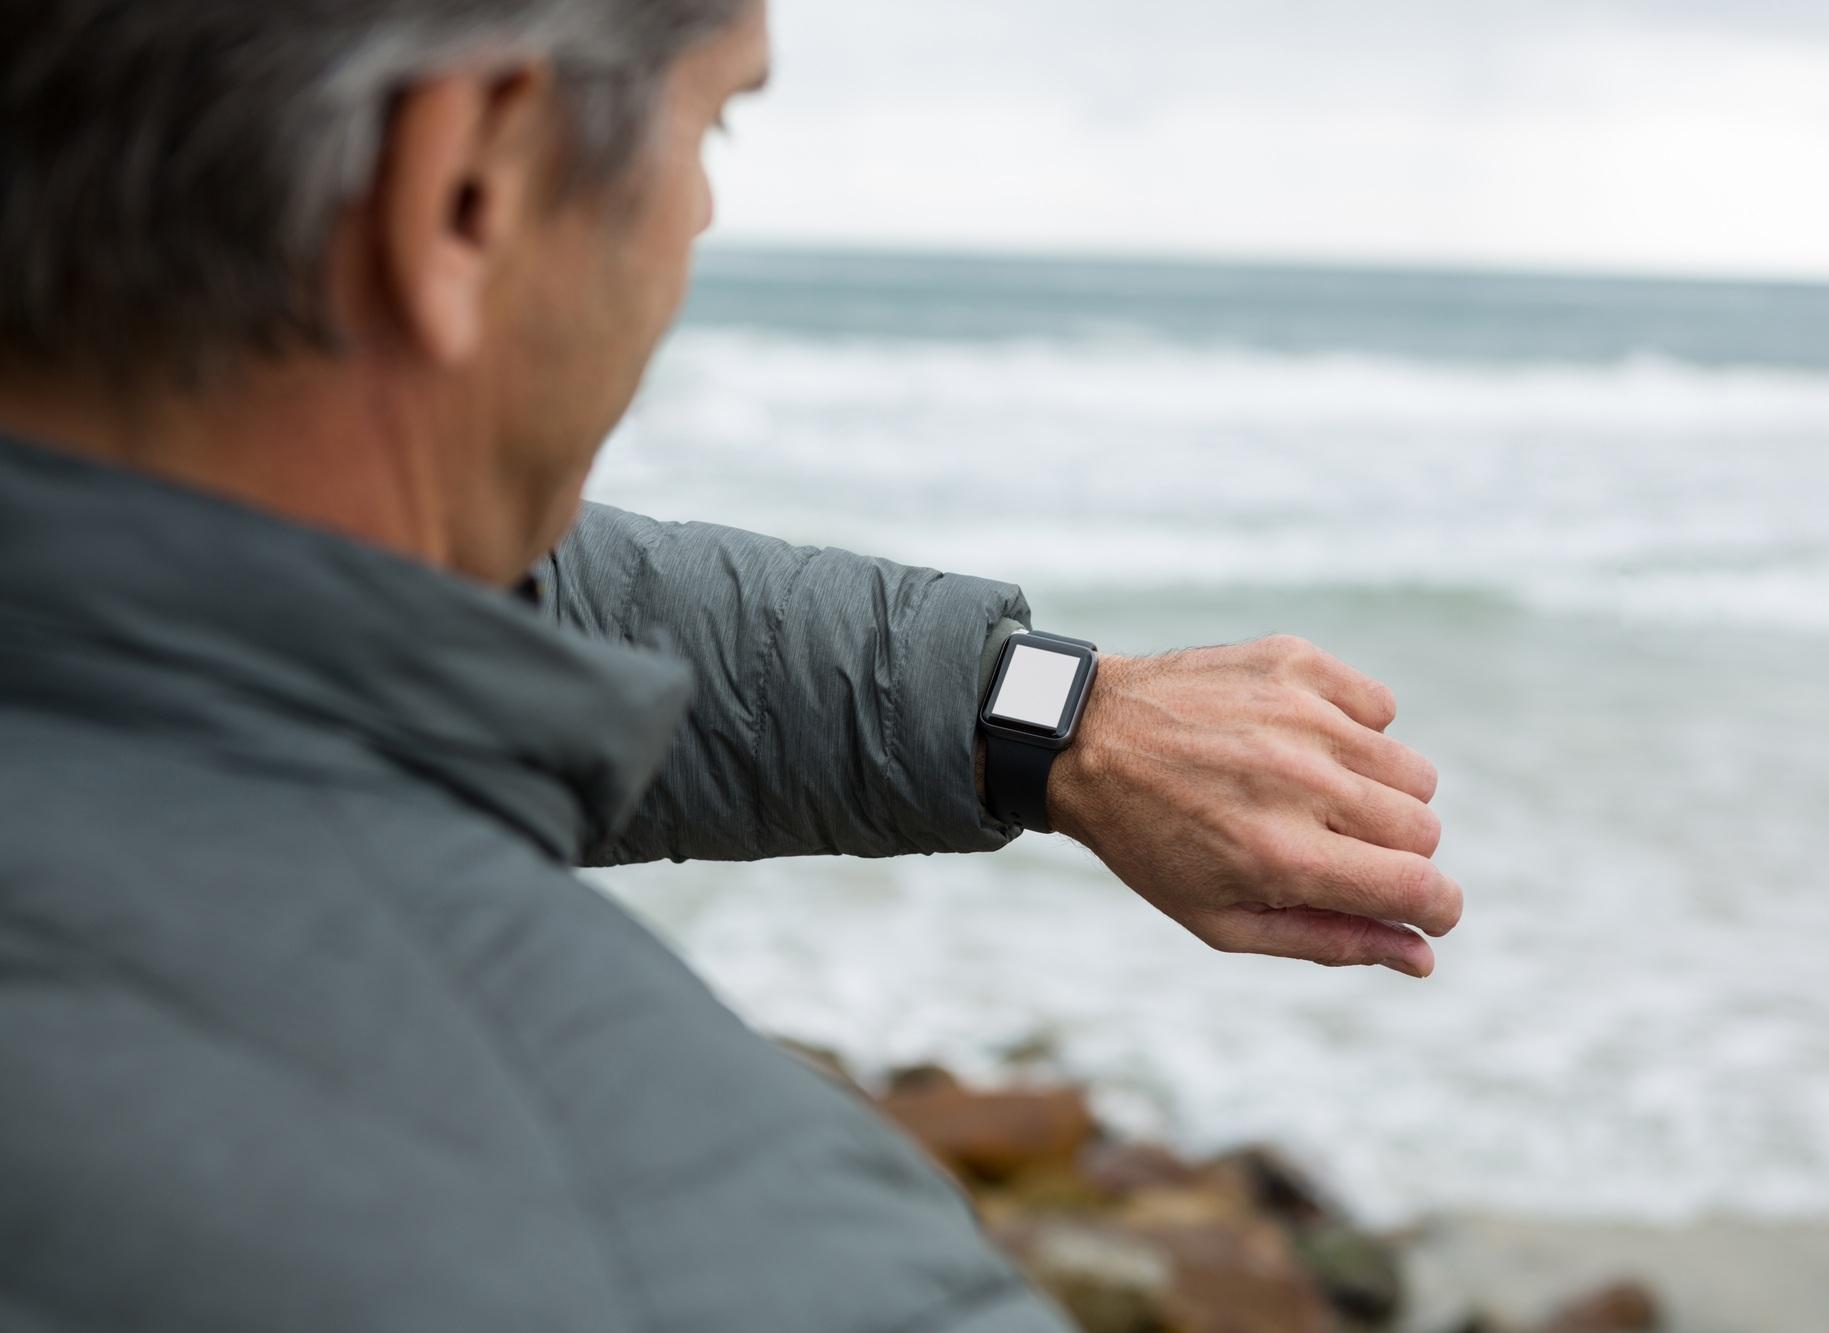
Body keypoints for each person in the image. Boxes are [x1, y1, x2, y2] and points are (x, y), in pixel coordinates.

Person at [0, 0, 1462, 1328]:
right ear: (465, 188)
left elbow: (434, 601)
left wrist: (1048, 718)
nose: (696, 209)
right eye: (712, 124)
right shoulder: (724, 1259)